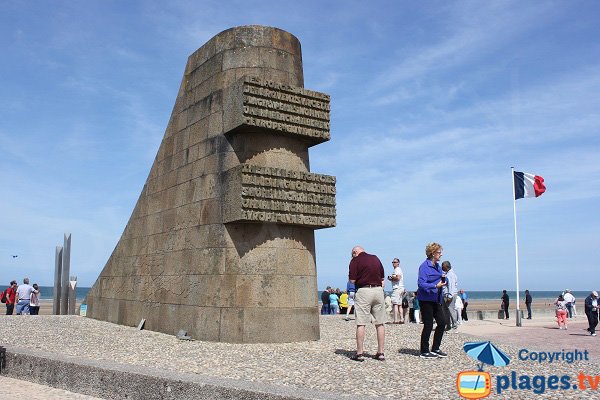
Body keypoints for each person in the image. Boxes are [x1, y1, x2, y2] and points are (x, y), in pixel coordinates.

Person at [348, 245, 385, 361]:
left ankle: (359, 353)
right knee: (380, 323)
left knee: (361, 323)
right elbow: (382, 278)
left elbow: (352, 280)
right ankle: (381, 353)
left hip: (364, 291)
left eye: (352, 254)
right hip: (378, 290)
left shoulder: (355, 260)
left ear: (355, 252)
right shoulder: (375, 258)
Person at [417, 242, 447, 359]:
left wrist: (444, 282)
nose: (441, 254)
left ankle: (435, 348)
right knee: (428, 324)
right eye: (439, 252)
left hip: (437, 298)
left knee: (442, 322)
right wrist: (435, 286)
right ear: (433, 253)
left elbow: (440, 280)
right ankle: (424, 351)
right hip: (426, 299)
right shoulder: (424, 266)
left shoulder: (438, 266)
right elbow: (421, 284)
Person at [442, 261, 459, 330]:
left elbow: (451, 286)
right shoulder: (447, 274)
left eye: (442, 266)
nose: (442, 268)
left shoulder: (451, 274)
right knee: (445, 311)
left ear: (446, 266)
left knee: (451, 310)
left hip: (450, 295)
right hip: (446, 295)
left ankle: (454, 326)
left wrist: (450, 296)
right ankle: (448, 325)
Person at [388, 258, 405, 324]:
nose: (393, 263)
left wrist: (391, 278)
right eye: (392, 262)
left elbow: (398, 278)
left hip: (397, 288)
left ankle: (396, 320)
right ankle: (401, 319)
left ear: (398, 263)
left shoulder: (397, 269)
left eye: (395, 262)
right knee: (399, 305)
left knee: (395, 304)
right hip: (400, 288)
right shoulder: (398, 269)